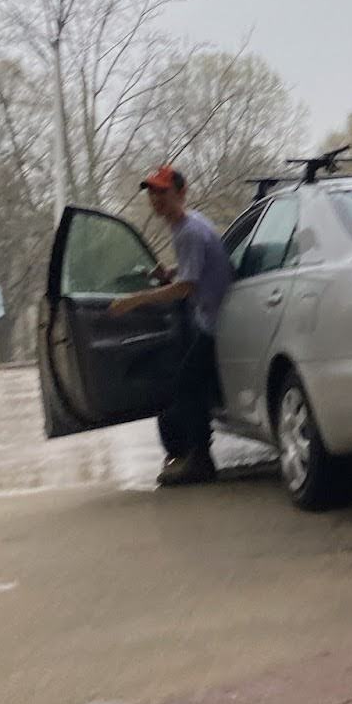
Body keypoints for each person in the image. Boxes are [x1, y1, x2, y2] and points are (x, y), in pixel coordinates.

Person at [108, 165, 233, 486]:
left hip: (216, 322)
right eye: (151, 192)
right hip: (209, 318)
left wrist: (136, 300)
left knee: (187, 386)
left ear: (181, 192)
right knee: (189, 383)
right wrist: (171, 272)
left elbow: (186, 288)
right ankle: (192, 456)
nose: (155, 198)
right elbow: (194, 269)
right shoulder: (188, 225)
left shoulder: (189, 231)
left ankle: (200, 461)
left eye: (162, 191)